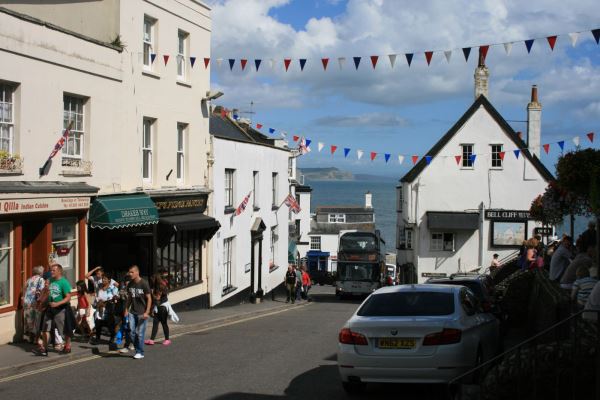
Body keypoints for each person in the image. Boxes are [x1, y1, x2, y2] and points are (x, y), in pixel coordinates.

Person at [34, 264, 74, 356]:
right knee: (45, 329)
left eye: (53, 270)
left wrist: (57, 303)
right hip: (49, 308)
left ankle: (67, 345)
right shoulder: (49, 280)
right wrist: (40, 300)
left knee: (64, 330)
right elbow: (45, 292)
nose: (51, 272)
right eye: (51, 270)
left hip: (60, 309)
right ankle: (45, 348)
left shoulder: (64, 282)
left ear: (59, 271)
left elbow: (68, 298)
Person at [121, 265, 151, 359]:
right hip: (132, 312)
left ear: (137, 272)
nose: (130, 274)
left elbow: (149, 299)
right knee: (131, 332)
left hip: (142, 312)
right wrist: (126, 309)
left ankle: (140, 352)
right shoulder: (130, 284)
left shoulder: (144, 283)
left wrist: (147, 312)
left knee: (140, 333)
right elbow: (130, 298)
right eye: (129, 272)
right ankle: (138, 349)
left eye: (132, 272)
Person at [91, 275, 119, 349]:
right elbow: (96, 299)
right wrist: (98, 303)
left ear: (109, 280)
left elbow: (115, 298)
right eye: (103, 279)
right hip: (99, 309)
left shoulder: (112, 288)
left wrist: (106, 302)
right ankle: (97, 339)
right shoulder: (99, 289)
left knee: (110, 325)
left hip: (108, 310)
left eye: (105, 279)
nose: (104, 281)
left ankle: (112, 338)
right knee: (98, 324)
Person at [146, 273, 171, 346]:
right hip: (159, 307)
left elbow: (157, 298)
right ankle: (151, 340)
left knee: (164, 323)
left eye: (152, 280)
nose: (151, 281)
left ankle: (167, 339)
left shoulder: (160, 286)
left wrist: (151, 294)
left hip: (163, 307)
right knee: (155, 323)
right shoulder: (157, 286)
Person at [22, 266, 45, 344]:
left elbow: (24, 289)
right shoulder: (41, 280)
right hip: (35, 302)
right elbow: (42, 290)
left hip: (27, 302)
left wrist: (23, 299)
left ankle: (30, 338)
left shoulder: (29, 279)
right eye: (43, 271)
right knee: (36, 320)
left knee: (29, 320)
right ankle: (35, 339)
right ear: (40, 272)